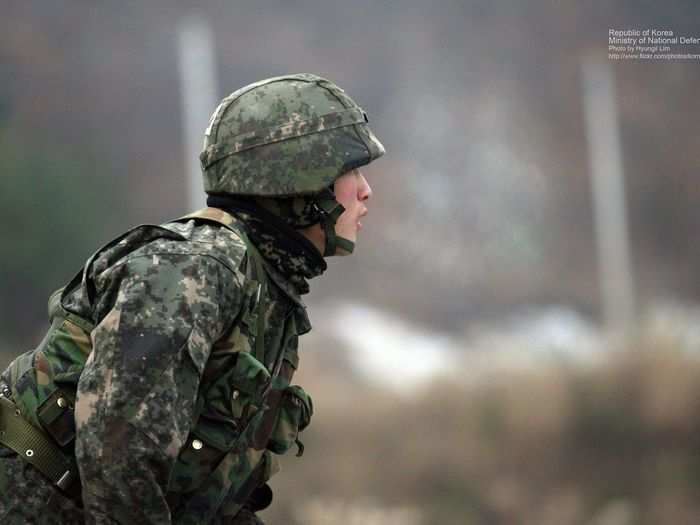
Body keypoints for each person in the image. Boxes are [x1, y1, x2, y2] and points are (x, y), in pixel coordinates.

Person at [0, 73, 385, 524]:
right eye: (349, 170)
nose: (365, 190)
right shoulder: (193, 270)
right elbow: (119, 453)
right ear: (298, 179)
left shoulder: (265, 286)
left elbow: (209, 497)